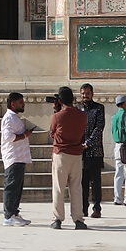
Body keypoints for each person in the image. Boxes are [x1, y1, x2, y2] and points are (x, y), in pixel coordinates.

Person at [49, 86, 88, 231]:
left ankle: (57, 218)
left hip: (61, 153)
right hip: (76, 153)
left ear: (59, 101)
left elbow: (52, 132)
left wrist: (56, 110)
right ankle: (78, 219)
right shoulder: (82, 115)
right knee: (76, 187)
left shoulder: (57, 116)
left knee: (59, 187)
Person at [0, 91, 32, 226]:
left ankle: (14, 213)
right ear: (13, 104)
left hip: (20, 157)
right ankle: (8, 215)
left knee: (17, 187)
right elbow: (9, 137)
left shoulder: (15, 118)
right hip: (13, 157)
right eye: (20, 102)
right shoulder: (9, 118)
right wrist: (24, 135)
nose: (23, 104)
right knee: (12, 187)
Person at [78, 83, 106, 219]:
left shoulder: (98, 109)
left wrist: (88, 144)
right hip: (80, 152)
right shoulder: (77, 109)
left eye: (87, 93)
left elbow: (98, 128)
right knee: (82, 182)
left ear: (92, 94)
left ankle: (97, 207)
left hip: (94, 151)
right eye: (83, 93)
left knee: (95, 182)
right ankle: (83, 208)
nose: (85, 96)